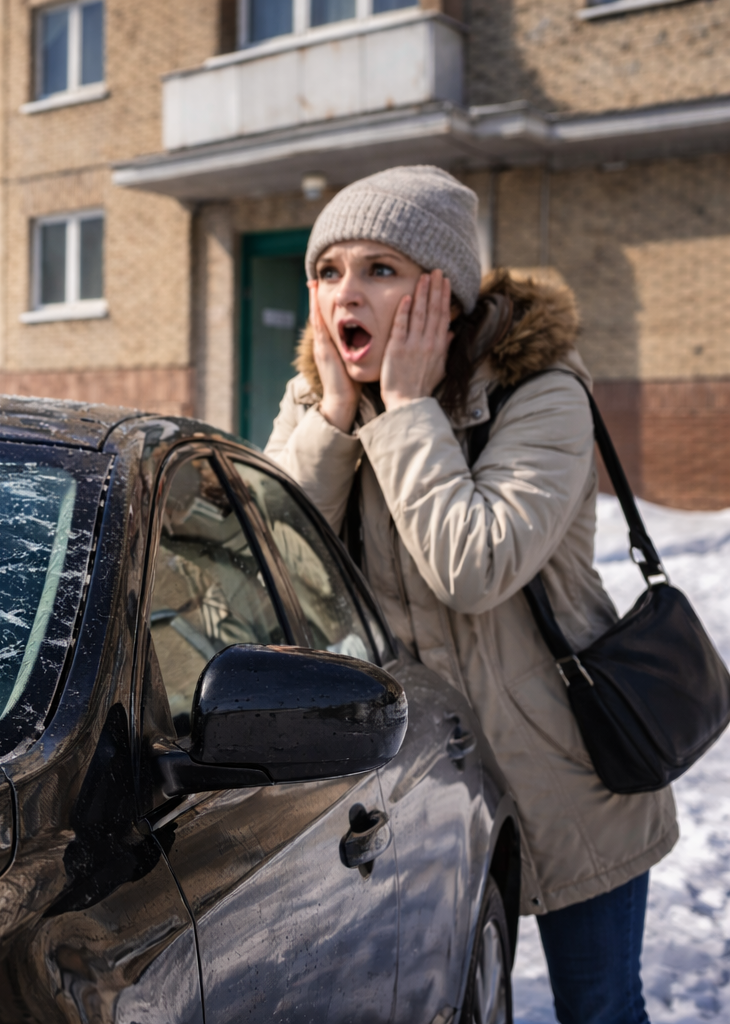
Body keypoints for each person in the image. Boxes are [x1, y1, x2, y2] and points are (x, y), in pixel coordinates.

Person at [264, 165, 676, 1023]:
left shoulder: (542, 393)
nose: (348, 292)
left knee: (599, 1007)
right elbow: (276, 580)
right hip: (428, 792)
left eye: (381, 268)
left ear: (440, 292)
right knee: (458, 1004)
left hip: (570, 776)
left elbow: (475, 567)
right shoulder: (318, 403)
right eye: (329, 271)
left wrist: (407, 410)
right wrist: (336, 424)